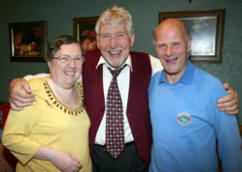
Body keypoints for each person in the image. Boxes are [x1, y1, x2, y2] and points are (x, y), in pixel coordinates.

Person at [8, 6, 239, 172]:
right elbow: (52, 75)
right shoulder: (83, 62)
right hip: (95, 158)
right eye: (105, 37)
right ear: (97, 41)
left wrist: (223, 93)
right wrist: (18, 83)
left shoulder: (151, 63)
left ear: (131, 38)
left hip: (138, 157)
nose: (113, 44)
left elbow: (179, 68)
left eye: (120, 35)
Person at [149, 18, 242, 172]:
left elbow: (232, 153)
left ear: (189, 44)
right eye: (162, 45)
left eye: (176, 44)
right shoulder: (152, 84)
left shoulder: (215, 90)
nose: (169, 52)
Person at [2, 35, 92, 172]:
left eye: (77, 59)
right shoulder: (30, 91)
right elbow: (10, 138)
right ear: (50, 63)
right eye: (64, 58)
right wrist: (53, 156)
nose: (72, 65)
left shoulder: (83, 90)